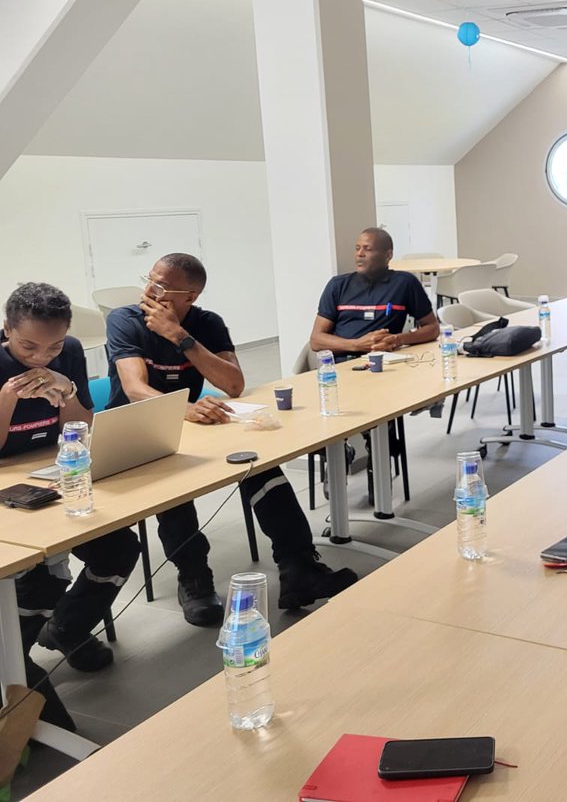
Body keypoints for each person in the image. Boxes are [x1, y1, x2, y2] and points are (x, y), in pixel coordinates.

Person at [106, 254, 357, 627]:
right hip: (140, 431)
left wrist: (179, 336)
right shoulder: (125, 320)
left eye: (161, 286)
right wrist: (186, 409)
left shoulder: (207, 324)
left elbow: (233, 384)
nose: (149, 291)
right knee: (173, 484)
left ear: (188, 297)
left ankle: (299, 567)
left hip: (197, 425)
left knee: (258, 463)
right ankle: (194, 579)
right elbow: (134, 388)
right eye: (149, 280)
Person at [0, 284, 140, 728]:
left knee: (118, 548)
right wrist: (8, 397)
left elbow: (80, 429)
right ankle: (14, 667)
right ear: (6, 330)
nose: (41, 356)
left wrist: (67, 390)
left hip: (54, 474)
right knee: (37, 571)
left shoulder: (71, 352)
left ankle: (65, 628)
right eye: (28, 346)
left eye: (54, 345)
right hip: (7, 487)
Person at [310, 227, 438, 361]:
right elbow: (316, 340)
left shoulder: (404, 283)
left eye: (368, 249)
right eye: (357, 248)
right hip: (342, 364)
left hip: (384, 363)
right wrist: (357, 345)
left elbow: (432, 328)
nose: (360, 254)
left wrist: (397, 340)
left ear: (388, 255)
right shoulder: (338, 285)